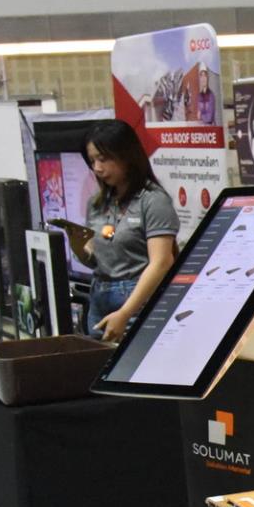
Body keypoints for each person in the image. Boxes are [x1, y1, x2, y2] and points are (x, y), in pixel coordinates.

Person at [65, 120, 178, 341]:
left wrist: (125, 313)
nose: (97, 168)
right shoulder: (97, 203)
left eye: (103, 159)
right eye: (92, 161)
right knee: (98, 360)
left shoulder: (152, 200)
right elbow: (98, 259)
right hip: (99, 296)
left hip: (137, 300)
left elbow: (162, 262)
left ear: (126, 156)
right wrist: (79, 245)